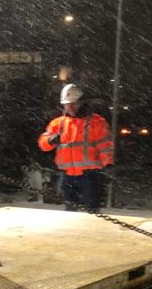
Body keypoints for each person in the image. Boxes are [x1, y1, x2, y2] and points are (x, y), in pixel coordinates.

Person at [37, 83, 113, 211]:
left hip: (89, 175)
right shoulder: (58, 123)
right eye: (67, 104)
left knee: (92, 211)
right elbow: (42, 144)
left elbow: (105, 147)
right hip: (67, 176)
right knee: (70, 212)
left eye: (73, 103)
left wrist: (107, 166)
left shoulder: (97, 122)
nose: (70, 107)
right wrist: (49, 141)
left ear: (81, 102)